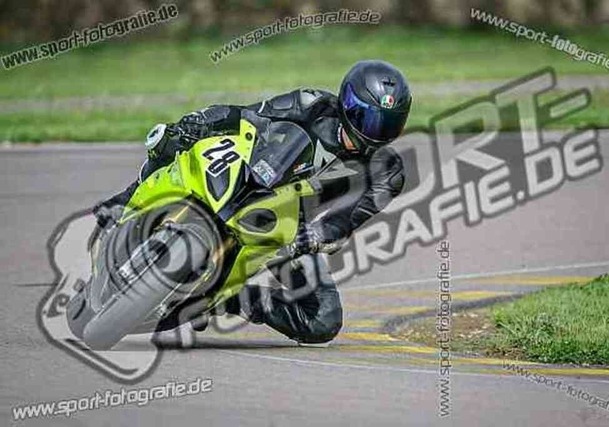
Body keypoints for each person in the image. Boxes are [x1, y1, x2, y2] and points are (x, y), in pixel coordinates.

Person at [93, 60, 412, 345]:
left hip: (291, 229)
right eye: (367, 118)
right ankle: (123, 201)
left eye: (386, 124)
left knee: (323, 320)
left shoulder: (387, 170)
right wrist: (200, 122)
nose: (374, 132)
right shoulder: (311, 104)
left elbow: (350, 217)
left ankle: (225, 300)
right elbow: (248, 114)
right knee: (170, 140)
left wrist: (319, 235)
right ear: (348, 103)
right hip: (254, 176)